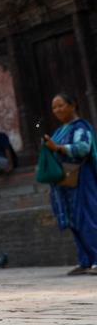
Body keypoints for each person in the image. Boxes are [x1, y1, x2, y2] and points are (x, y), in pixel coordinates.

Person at [42, 92, 97, 275]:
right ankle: (85, 260)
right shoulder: (59, 131)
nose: (57, 110)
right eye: (54, 107)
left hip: (82, 178)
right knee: (73, 221)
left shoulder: (81, 127)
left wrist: (57, 148)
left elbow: (83, 148)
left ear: (73, 105)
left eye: (60, 105)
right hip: (64, 182)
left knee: (87, 218)